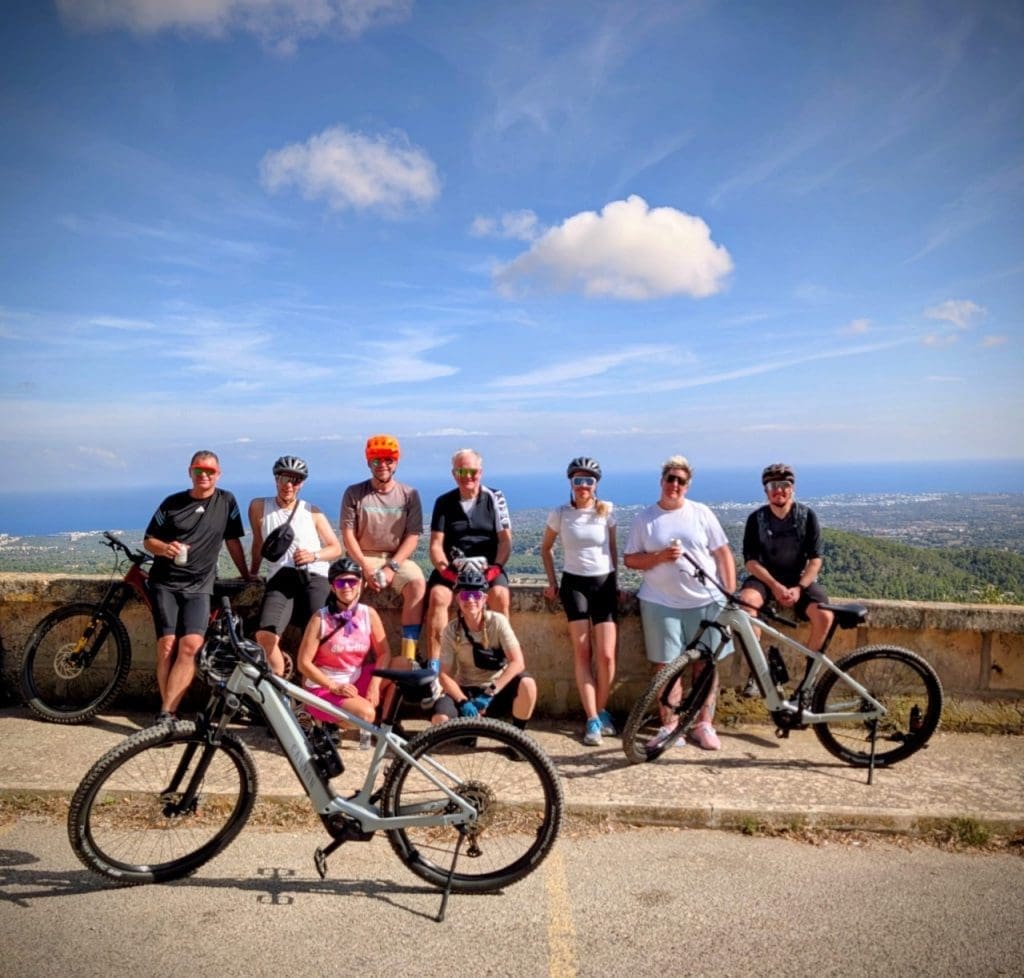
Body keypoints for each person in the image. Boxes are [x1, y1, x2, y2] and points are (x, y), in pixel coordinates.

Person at [623, 455, 736, 751]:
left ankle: (703, 725)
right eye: (670, 478)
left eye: (681, 481)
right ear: (661, 481)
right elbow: (630, 559)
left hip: (706, 600)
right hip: (660, 602)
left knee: (706, 665)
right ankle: (670, 727)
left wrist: (729, 594)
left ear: (688, 485)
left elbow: (723, 553)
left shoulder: (701, 513)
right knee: (666, 666)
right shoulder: (645, 519)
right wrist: (659, 557)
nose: (674, 484)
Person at [143, 450, 251, 723]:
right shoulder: (172, 503)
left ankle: (167, 711)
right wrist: (165, 548)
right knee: (167, 646)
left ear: (219, 474)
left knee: (191, 645)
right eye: (198, 470)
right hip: (165, 583)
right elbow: (148, 540)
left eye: (210, 471)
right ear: (190, 472)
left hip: (200, 585)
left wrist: (247, 574)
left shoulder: (226, 501)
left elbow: (233, 540)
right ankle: (167, 713)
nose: (204, 475)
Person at [541, 456, 619, 747]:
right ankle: (592, 719)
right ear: (570, 483)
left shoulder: (607, 511)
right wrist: (552, 582)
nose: (583, 486)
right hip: (574, 585)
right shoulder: (560, 514)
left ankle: (601, 708)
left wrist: (617, 583)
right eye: (578, 480)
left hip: (604, 584)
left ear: (596, 484)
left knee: (607, 656)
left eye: (589, 480)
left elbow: (612, 549)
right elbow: (546, 548)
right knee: (583, 652)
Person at [738, 462, 834, 695]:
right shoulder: (756, 519)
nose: (778, 490)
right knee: (747, 604)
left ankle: (808, 681)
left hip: (797, 580)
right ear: (766, 490)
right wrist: (774, 585)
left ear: (792, 488)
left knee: (825, 615)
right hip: (764, 579)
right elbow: (751, 561)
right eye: (773, 486)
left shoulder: (806, 516)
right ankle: (758, 673)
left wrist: (799, 588)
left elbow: (815, 560)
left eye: (784, 485)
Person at [249, 455, 342, 677]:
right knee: (265, 635)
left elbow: (335, 548)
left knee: (321, 636)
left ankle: (315, 689)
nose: (289, 485)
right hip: (281, 577)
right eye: (284, 479)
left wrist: (313, 555)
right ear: (276, 479)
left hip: (314, 575)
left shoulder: (312, 511)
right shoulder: (259, 507)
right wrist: (251, 573)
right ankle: (279, 680)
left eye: (295, 480)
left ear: (302, 484)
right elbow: (259, 543)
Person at [340, 434, 426, 657]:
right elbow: (348, 535)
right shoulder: (354, 493)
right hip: (361, 555)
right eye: (376, 460)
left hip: (396, 558)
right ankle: (346, 653)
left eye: (388, 460)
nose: (383, 465)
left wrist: (391, 568)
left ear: (396, 463)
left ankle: (409, 655)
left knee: (417, 585)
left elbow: (413, 536)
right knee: (346, 588)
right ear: (369, 463)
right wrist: (364, 566)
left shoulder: (409, 495)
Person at [424, 448, 512, 664]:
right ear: (454, 474)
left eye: (472, 471)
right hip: (453, 568)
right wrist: (446, 571)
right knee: (438, 597)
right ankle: (436, 666)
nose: (467, 477)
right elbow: (436, 545)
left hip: (488, 568)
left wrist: (496, 568)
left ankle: (502, 658)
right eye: (461, 472)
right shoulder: (443, 502)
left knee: (500, 596)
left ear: (480, 472)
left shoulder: (496, 498)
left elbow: (505, 541)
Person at [296, 557, 394, 744]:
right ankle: (325, 720)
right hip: (324, 686)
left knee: (403, 666)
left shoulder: (368, 614)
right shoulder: (320, 619)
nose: (347, 587)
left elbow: (384, 653)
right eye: (340, 582)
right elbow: (303, 663)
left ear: (361, 584)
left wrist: (374, 685)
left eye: (352, 581)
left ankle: (386, 726)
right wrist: (334, 687)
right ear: (333, 587)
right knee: (366, 714)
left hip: (354, 679)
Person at [429, 565, 536, 734]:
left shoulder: (498, 622)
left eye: (476, 595)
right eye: (465, 595)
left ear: (484, 598)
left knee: (527, 684)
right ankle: (466, 732)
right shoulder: (451, 630)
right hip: (467, 688)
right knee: (439, 720)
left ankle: (518, 736)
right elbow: (444, 675)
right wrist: (463, 701)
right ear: (458, 599)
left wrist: (490, 693)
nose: (471, 600)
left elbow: (517, 662)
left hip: (495, 689)